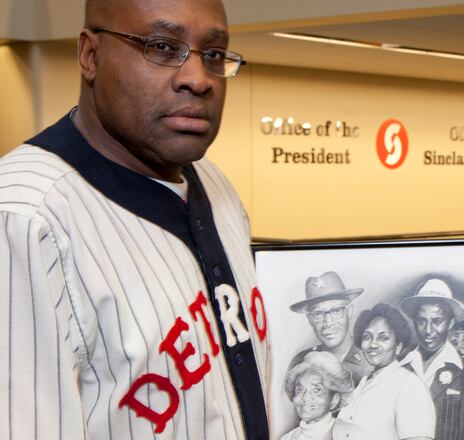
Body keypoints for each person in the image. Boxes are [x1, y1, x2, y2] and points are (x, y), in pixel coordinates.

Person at [0, 0, 270, 438]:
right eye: (162, 47)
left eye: (214, 54)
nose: (198, 79)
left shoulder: (214, 182)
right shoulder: (25, 217)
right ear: (91, 55)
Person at [400, 278, 464, 440]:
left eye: (436, 321)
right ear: (414, 322)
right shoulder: (399, 368)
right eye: (422, 321)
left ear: (450, 323)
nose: (428, 330)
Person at [332, 303, 436, 440]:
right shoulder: (363, 384)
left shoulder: (409, 385)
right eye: (367, 337)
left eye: (383, 338)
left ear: (398, 347)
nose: (373, 344)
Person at [289, 271, 372, 384]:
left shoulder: (370, 361)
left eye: (336, 310)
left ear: (349, 312)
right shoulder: (299, 362)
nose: (327, 323)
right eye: (318, 314)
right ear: (309, 319)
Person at [281, 351, 354, 440]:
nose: (306, 397)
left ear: (334, 400)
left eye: (316, 390)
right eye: (299, 390)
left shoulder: (351, 435)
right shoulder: (287, 438)